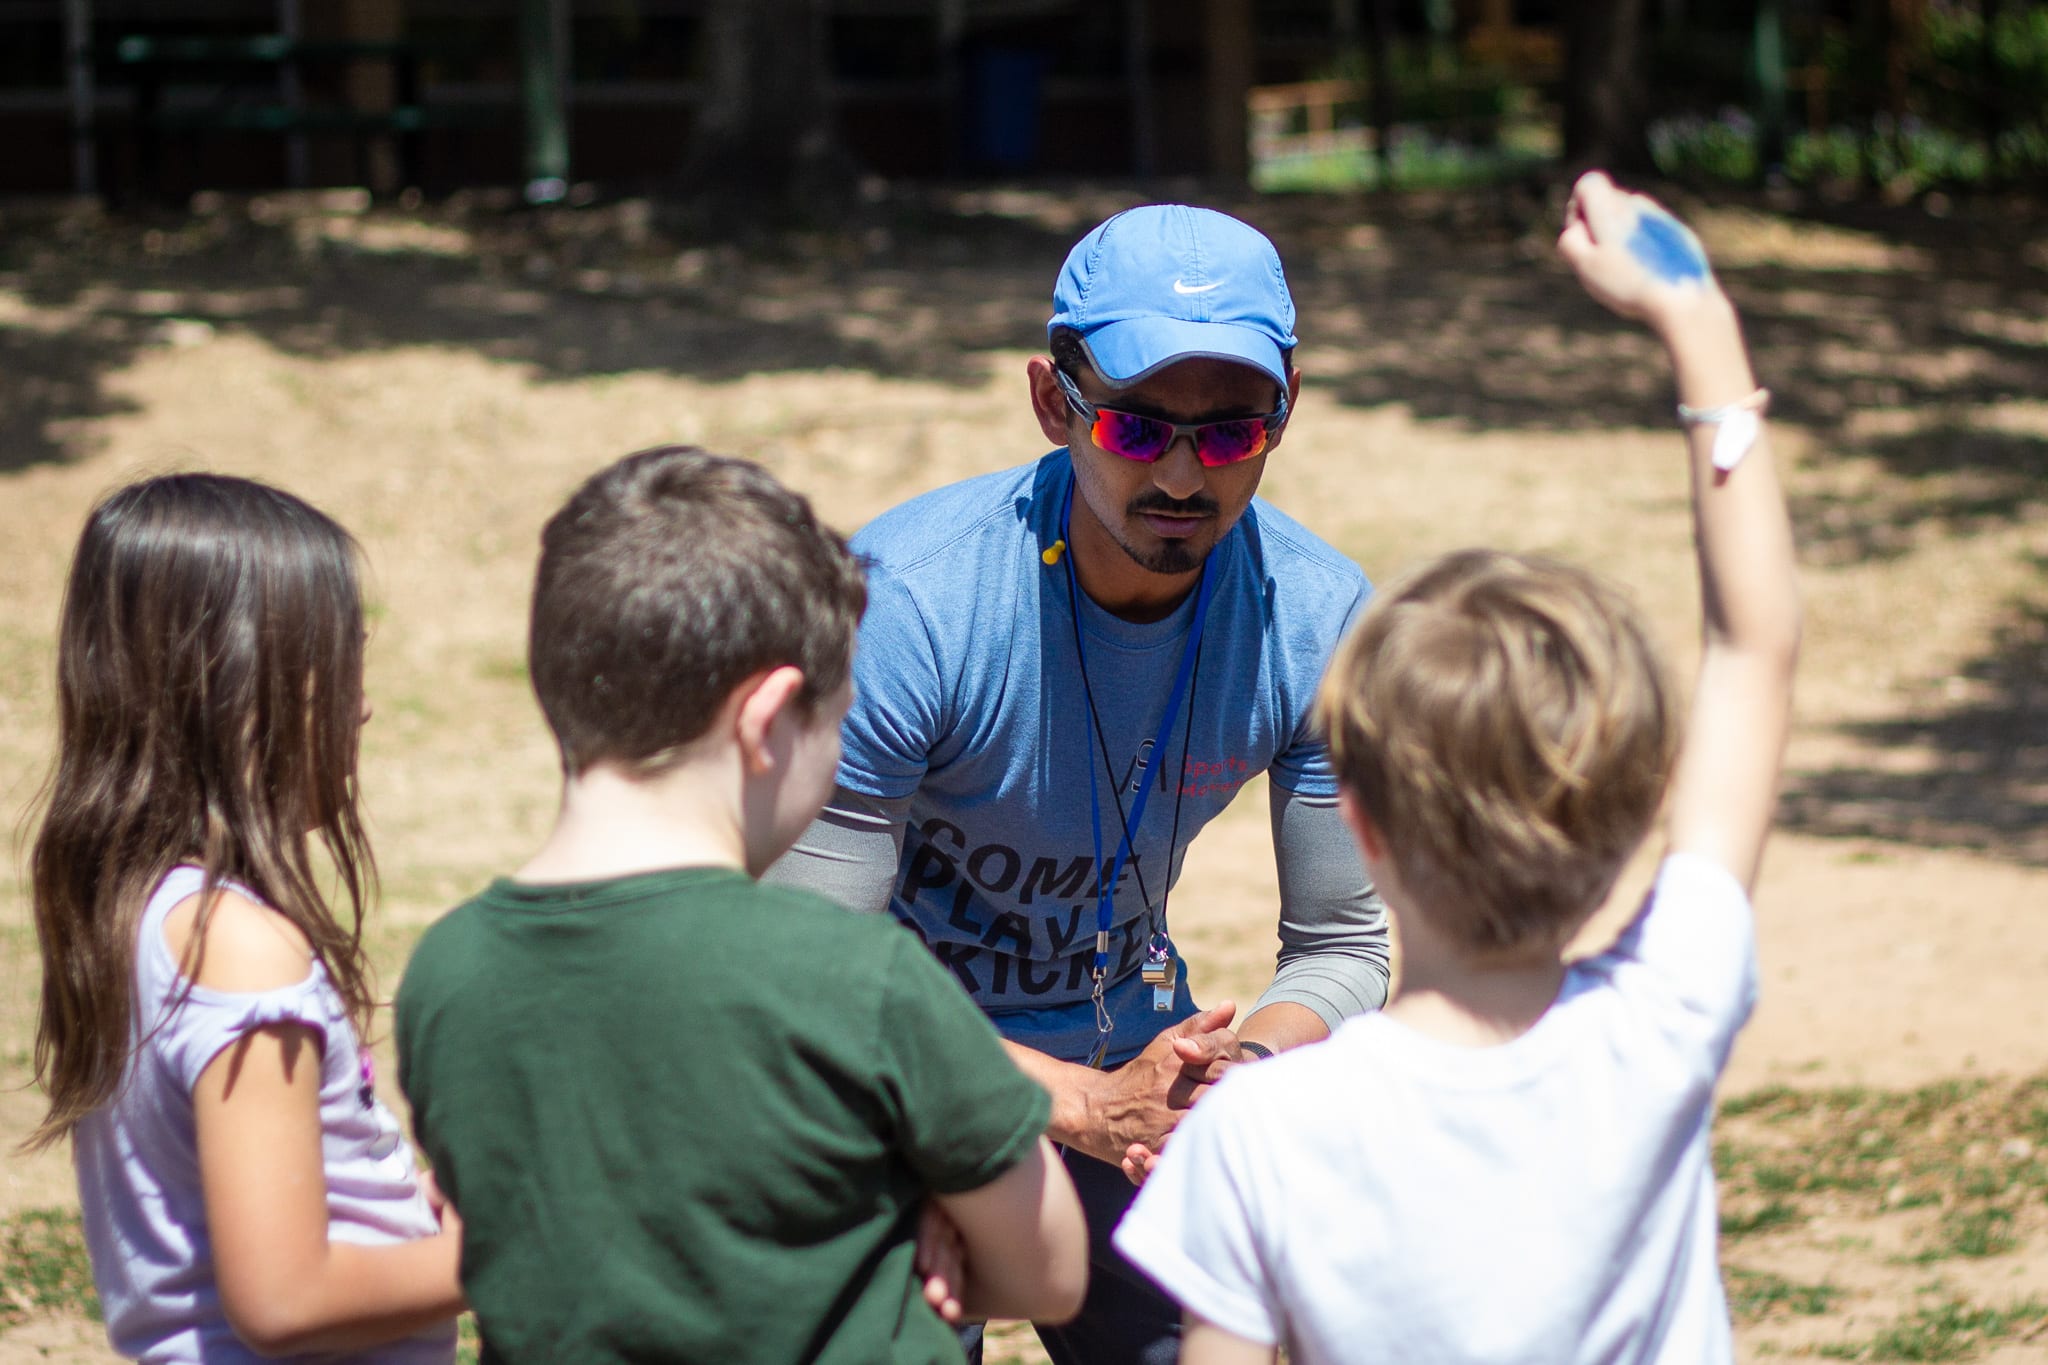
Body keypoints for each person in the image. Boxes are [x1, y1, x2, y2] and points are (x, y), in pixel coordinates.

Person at [1111, 172, 1803, 1364]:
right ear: (1629, 821)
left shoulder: (1260, 1133)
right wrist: (1692, 316)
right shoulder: (1660, 1024)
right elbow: (1754, 649)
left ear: (1361, 822)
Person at [767, 203, 1391, 1364]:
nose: (1181, 474)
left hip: (1135, 1076)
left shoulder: (1314, 617)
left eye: (1228, 435)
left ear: (1284, 411)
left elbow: (1344, 949)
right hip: (889, 1074)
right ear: (1054, 404)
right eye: (1136, 427)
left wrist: (1238, 1083)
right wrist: (1075, 1104)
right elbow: (814, 976)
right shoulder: (904, 603)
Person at [394, 446, 1088, 1364]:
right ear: (768, 722)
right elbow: (1052, 1269)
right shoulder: (861, 976)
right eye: (836, 721)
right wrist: (913, 1218)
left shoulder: (447, 971)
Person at [24, 473, 465, 1363]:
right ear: (231, 693)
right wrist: (514, 1249)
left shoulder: (143, 910)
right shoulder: (237, 952)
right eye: (338, 665)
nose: (365, 703)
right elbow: (286, 1299)